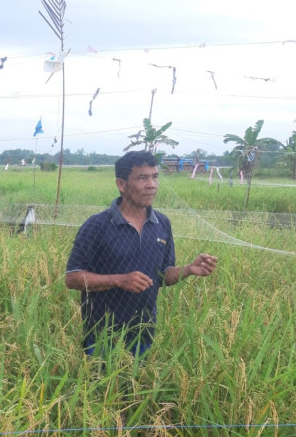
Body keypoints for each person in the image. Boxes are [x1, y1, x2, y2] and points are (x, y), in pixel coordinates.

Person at [65, 151, 218, 355]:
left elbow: (163, 276)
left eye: (155, 177)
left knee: (140, 375)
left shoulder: (161, 224)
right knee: (100, 375)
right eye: (142, 178)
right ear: (122, 184)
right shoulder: (97, 225)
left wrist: (189, 269)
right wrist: (119, 280)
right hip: (101, 335)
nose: (151, 185)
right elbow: (72, 278)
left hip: (143, 333)